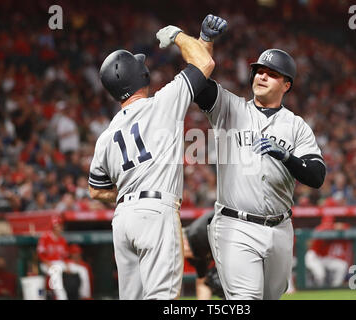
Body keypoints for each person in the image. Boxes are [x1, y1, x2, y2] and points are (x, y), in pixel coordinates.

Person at [88, 18, 223, 299]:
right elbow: (204, 65)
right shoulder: (162, 104)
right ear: (141, 76)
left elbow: (96, 190)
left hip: (122, 219)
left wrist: (128, 192)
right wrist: (180, 36)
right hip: (155, 211)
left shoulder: (106, 135)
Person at [194, 15, 326, 299]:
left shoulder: (296, 125)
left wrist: (288, 158)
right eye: (259, 70)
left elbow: (316, 176)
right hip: (235, 224)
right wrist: (204, 43)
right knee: (245, 300)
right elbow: (200, 84)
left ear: (286, 85)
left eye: (271, 73)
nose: (262, 76)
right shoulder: (230, 109)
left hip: (280, 228)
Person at [183, 210, 224, 299]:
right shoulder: (196, 254)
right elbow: (202, 282)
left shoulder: (197, 235)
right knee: (213, 280)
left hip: (243, 227)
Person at [36, 215, 70, 300]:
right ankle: (62, 298)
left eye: (60, 225)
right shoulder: (45, 237)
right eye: (57, 226)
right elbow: (40, 255)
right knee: (55, 271)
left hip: (59, 263)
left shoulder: (62, 239)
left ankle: (85, 296)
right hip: (47, 264)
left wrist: (67, 266)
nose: (59, 227)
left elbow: (65, 257)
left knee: (82, 270)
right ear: (53, 227)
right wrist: (48, 264)